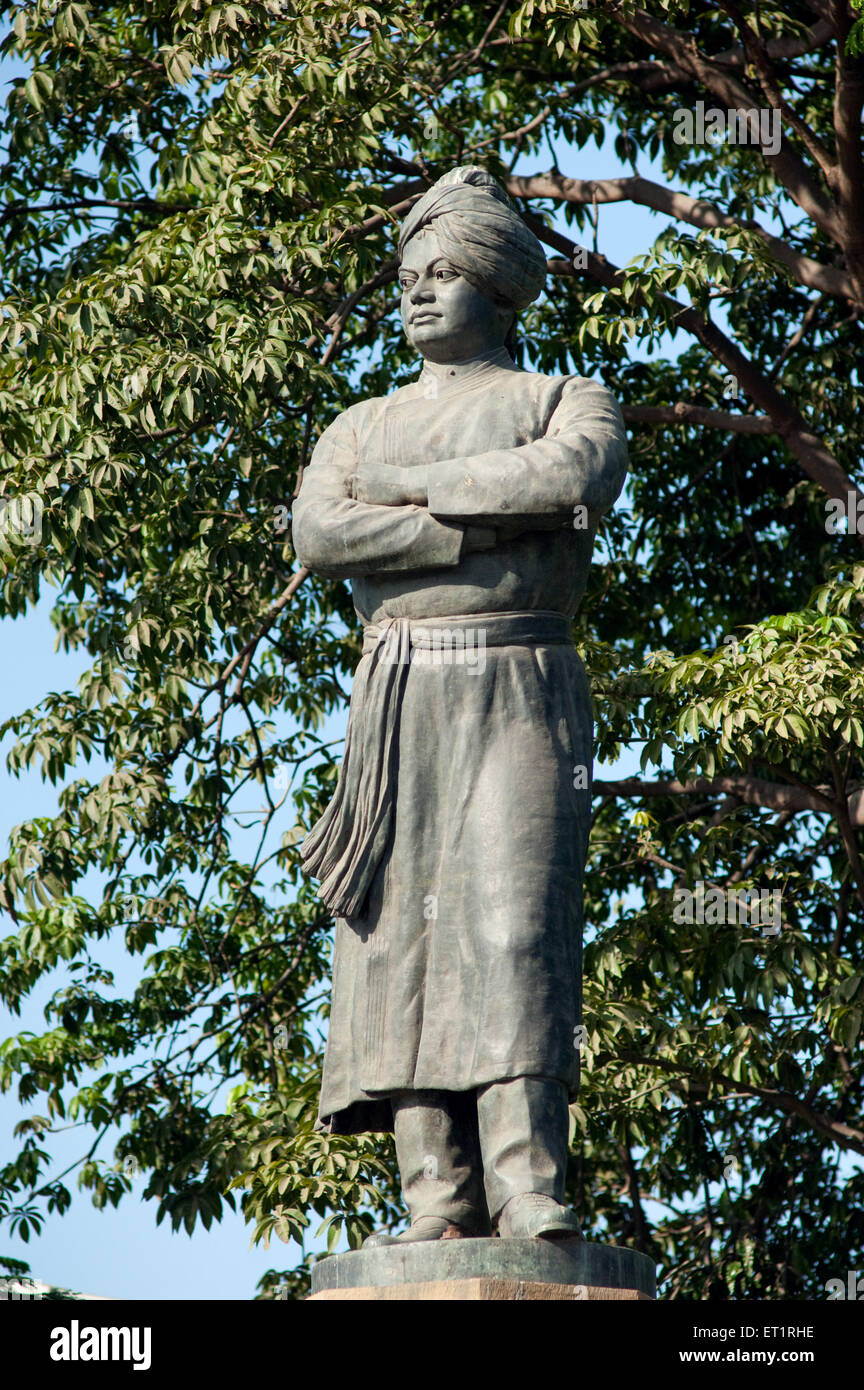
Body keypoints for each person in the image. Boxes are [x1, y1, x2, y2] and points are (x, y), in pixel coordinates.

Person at [291, 166, 628, 1243]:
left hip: (521, 685)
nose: (418, 293)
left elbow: (570, 483)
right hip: (396, 700)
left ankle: (530, 1185)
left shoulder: (565, 400)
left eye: (445, 273)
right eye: (406, 276)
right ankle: (433, 1198)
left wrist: (402, 494)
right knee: (400, 941)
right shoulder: (360, 420)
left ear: (500, 287)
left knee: (512, 924)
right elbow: (320, 534)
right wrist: (466, 525)